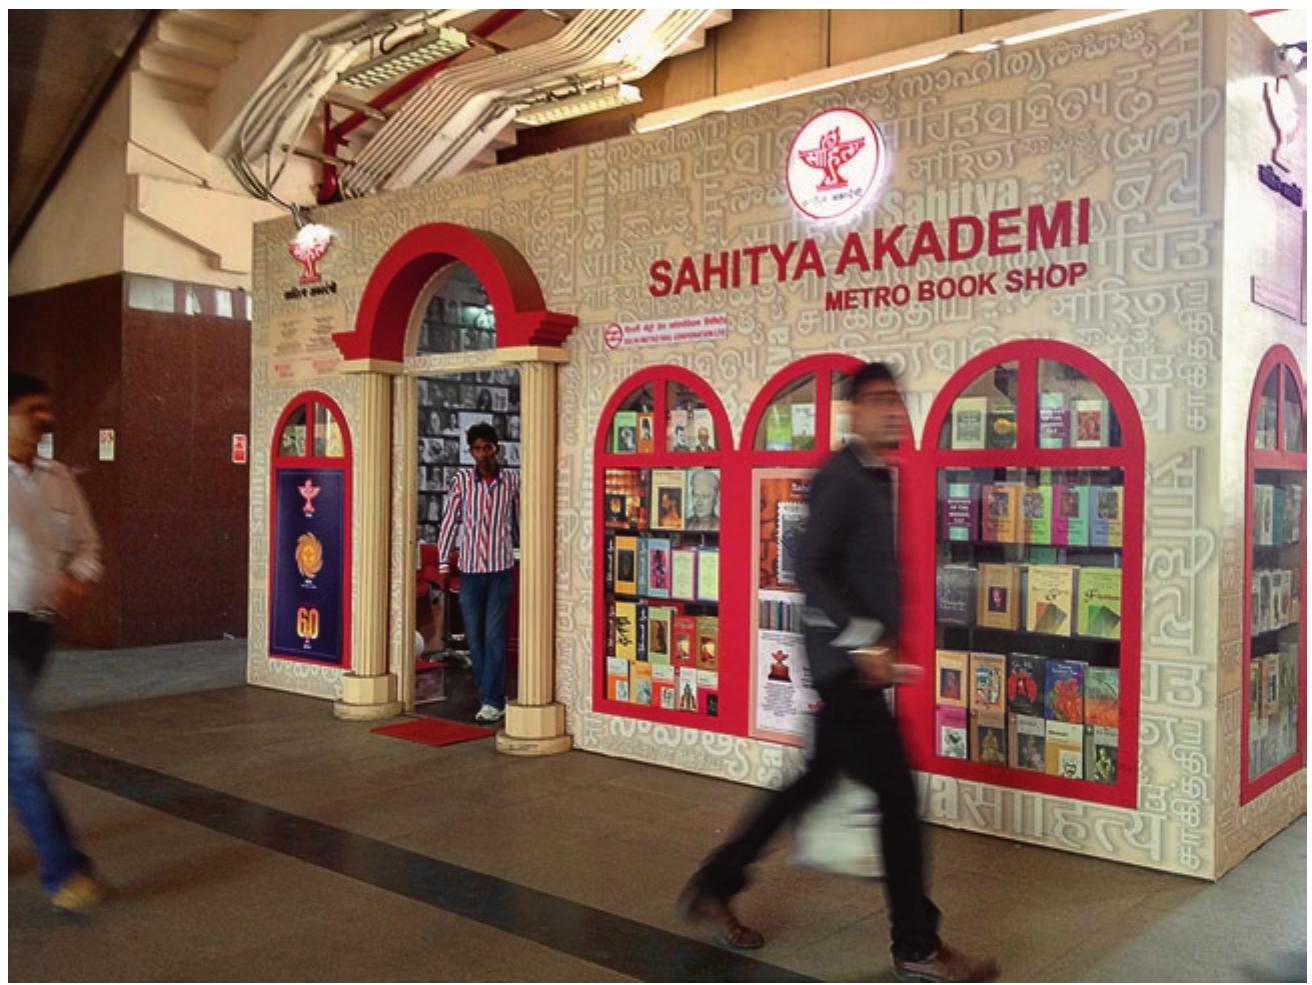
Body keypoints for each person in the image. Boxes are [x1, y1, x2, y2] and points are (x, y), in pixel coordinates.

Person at [679, 362, 998, 983]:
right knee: (900, 799)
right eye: (877, 402)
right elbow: (813, 569)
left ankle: (715, 883)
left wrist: (883, 643)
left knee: (811, 784)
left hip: (857, 666)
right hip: (841, 667)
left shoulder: (876, 477)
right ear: (851, 412)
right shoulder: (841, 478)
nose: (891, 411)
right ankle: (916, 945)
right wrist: (866, 638)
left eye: (896, 401)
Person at [9, 372, 109, 912]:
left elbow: (87, 545)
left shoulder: (58, 479)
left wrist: (80, 577)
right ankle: (65, 869)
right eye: (31, 408)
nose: (45, 417)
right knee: (22, 748)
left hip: (38, 630)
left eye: (47, 408)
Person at [437, 423, 519, 724]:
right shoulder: (461, 480)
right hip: (471, 570)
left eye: (487, 447)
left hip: (500, 570)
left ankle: (492, 700)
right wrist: (444, 563)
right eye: (477, 449)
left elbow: (520, 521)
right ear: (470, 452)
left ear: (497, 448)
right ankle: (491, 695)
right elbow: (449, 522)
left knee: (495, 636)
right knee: (475, 637)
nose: (482, 454)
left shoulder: (511, 481)